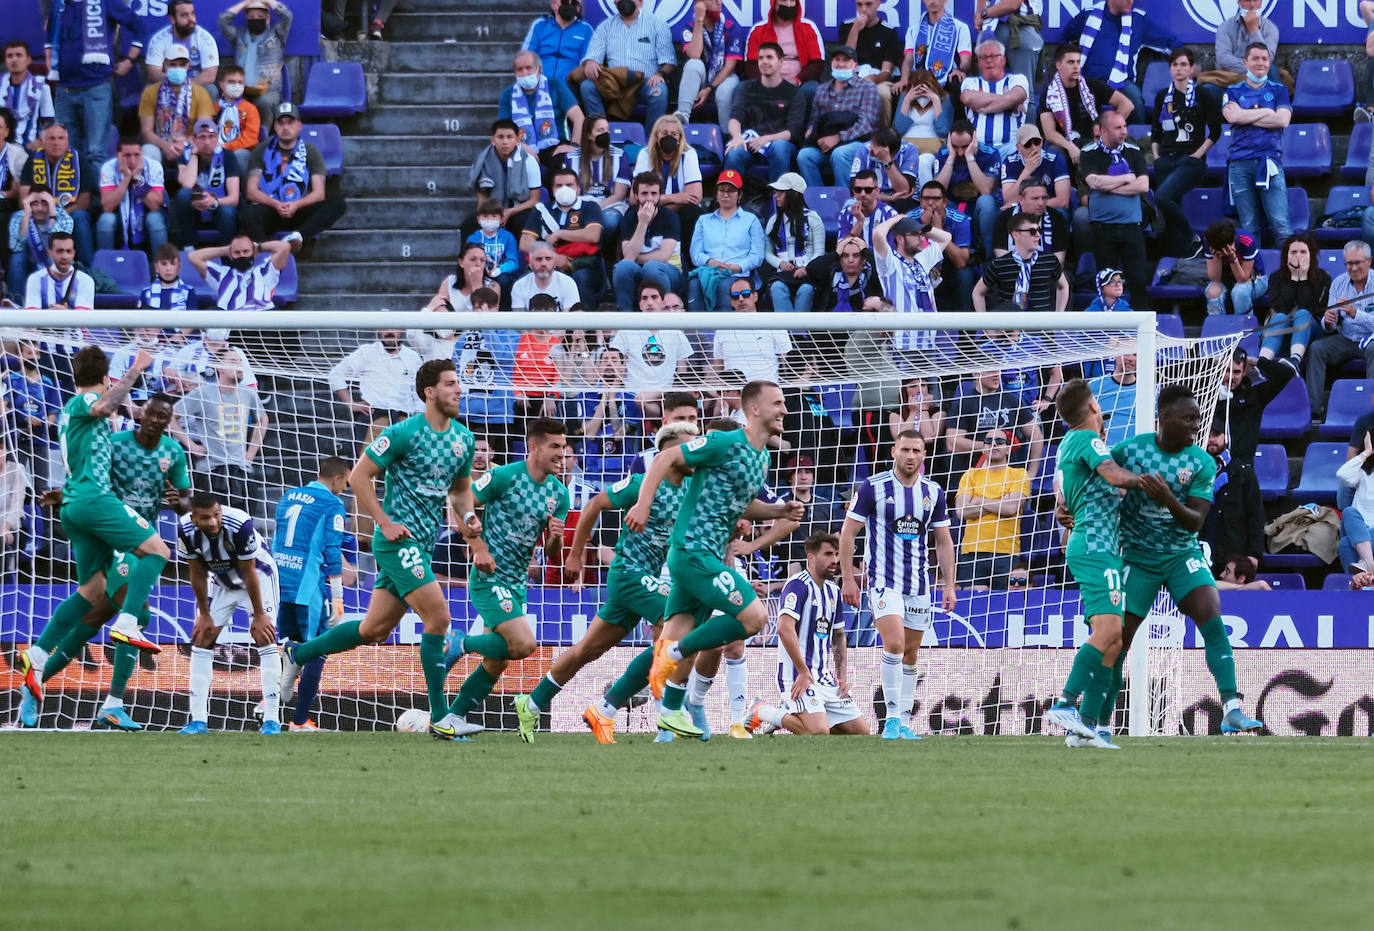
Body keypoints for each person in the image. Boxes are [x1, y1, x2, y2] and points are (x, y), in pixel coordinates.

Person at [281, 360, 485, 740]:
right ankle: (441, 717)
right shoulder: (402, 433)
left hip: (423, 542)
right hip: (397, 542)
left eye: (459, 384)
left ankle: (297, 654)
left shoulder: (464, 439)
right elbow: (359, 477)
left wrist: (468, 517)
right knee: (439, 620)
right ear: (430, 391)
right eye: (451, 384)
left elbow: (460, 491)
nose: (460, 390)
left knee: (374, 629)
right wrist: (384, 522)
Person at [627, 380, 802, 738]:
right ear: (754, 409)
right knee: (753, 618)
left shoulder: (762, 457)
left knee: (677, 640)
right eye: (778, 403)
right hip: (694, 550)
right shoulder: (724, 441)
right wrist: (643, 503)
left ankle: (659, 717)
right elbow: (666, 458)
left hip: (705, 555)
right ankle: (673, 660)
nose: (785, 410)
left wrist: (778, 508)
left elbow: (744, 504)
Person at [12, 345, 167, 729]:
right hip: (95, 502)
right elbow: (102, 407)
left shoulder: (71, 411)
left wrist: (65, 495)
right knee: (159, 552)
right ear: (103, 378)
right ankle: (127, 624)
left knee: (93, 592)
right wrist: (135, 370)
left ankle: (39, 652)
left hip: (78, 503)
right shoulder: (88, 400)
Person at [527, 421, 698, 744]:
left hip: (644, 578)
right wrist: (575, 556)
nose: (696, 454)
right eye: (689, 447)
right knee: (676, 625)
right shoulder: (642, 484)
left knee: (587, 650)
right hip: (628, 573)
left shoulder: (690, 490)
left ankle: (532, 702)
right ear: (670, 453)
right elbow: (594, 505)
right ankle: (659, 715)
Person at [1111, 386, 1264, 735]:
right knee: (1121, 636)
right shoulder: (1129, 451)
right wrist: (1071, 507)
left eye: (1198, 418)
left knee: (1211, 610)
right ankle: (1101, 715)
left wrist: (1166, 497)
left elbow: (1195, 520)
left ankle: (1232, 708)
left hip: (1181, 552)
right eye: (1189, 418)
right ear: (1165, 417)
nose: (1197, 424)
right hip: (1138, 555)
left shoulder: (1201, 462)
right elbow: (1096, 480)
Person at [444, 419, 571, 742]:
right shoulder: (504, 477)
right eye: (554, 446)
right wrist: (478, 547)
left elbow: (552, 550)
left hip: (516, 583)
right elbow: (462, 503)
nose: (562, 453)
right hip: (490, 577)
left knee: (497, 661)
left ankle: (452, 718)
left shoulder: (559, 493)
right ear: (534, 447)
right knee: (525, 644)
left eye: (563, 446)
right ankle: (461, 642)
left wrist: (555, 539)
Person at [1044, 378, 1144, 749]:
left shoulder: (1072, 445)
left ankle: (1086, 727)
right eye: (1098, 402)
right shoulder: (1087, 440)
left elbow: (1076, 497)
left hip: (1105, 548)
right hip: (1094, 547)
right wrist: (1155, 483)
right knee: (1106, 633)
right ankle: (1066, 703)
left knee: (1114, 640)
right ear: (1091, 409)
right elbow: (1114, 477)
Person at [839, 430, 956, 739]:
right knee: (894, 644)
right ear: (894, 451)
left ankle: (903, 721)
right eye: (905, 449)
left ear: (924, 454)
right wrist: (849, 577)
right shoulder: (872, 487)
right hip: (882, 581)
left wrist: (949, 585)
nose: (910, 455)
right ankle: (891, 719)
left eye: (917, 450)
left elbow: (943, 540)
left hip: (918, 583)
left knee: (911, 653)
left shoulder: (933, 492)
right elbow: (848, 533)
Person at [175, 492, 281, 733]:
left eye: (216, 515)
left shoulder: (239, 523)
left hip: (259, 578)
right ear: (193, 518)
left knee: (265, 637)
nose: (213, 522)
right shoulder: (184, 531)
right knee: (202, 639)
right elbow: (197, 572)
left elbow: (250, 571)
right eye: (205, 518)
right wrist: (204, 613)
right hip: (222, 581)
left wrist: (259, 614)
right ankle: (198, 721)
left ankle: (272, 719)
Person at [744, 532, 867, 736]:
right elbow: (784, 628)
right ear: (811, 557)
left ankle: (795, 713)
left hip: (824, 678)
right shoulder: (797, 585)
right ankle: (763, 711)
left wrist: (841, 677)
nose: (835, 560)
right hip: (796, 675)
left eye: (836, 554)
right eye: (828, 554)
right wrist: (802, 671)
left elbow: (838, 636)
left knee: (861, 734)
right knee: (818, 732)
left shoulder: (833, 591)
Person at [272, 458, 350, 733]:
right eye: (345, 483)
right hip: (307, 585)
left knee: (282, 644)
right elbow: (331, 550)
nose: (344, 489)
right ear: (338, 478)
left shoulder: (288, 496)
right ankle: (300, 720)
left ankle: (267, 709)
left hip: (280, 580)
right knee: (318, 649)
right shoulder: (332, 504)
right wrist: (338, 596)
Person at [43, 0, 146, 173]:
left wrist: (130, 59)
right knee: (64, 151)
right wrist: (49, 59)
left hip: (95, 89)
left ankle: (96, 200)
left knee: (95, 152)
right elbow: (50, 35)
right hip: (63, 90)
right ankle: (69, 198)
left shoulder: (106, 3)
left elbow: (139, 26)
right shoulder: (59, 4)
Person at [242, 103, 348, 252]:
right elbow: (251, 192)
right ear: (275, 126)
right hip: (270, 208)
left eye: (290, 122)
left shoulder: (311, 151)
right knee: (248, 214)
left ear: (299, 125)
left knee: (338, 203)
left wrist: (296, 205)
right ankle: (266, 253)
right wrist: (276, 204)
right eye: (281, 123)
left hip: (299, 209)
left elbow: (319, 193)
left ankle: (297, 237)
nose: (286, 127)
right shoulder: (261, 150)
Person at [1152, 48, 1224, 258]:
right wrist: (1156, 156)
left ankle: (1193, 238)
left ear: (1192, 68)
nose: (1179, 69)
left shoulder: (1203, 94)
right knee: (1169, 214)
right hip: (1165, 160)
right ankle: (1181, 256)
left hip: (1190, 162)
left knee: (1162, 198)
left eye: (1183, 64)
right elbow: (1156, 131)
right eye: (1175, 65)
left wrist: (1197, 155)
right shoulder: (1162, 96)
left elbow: (1216, 130)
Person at [179, 348, 268, 510]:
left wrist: (251, 452)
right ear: (218, 367)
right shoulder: (203, 393)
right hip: (211, 471)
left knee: (243, 526)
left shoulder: (248, 393)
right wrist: (192, 446)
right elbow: (171, 416)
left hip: (241, 471)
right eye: (233, 362)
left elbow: (263, 419)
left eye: (240, 362)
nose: (239, 366)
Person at [1222, 43, 1293, 243]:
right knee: (1248, 227)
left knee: (1281, 223)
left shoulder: (1279, 90)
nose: (1260, 63)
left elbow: (1282, 120)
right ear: (1245, 62)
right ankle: (1254, 274)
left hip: (1270, 162)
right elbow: (1231, 118)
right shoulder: (1233, 90)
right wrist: (1267, 112)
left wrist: (1245, 115)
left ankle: (1290, 273)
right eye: (1255, 58)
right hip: (1239, 163)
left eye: (1265, 59)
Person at [1059, 0, 1177, 119]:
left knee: (1135, 99)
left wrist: (1186, 60)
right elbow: (1065, 39)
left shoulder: (1138, 20)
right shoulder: (1089, 15)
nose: (1130, 1)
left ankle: (1136, 137)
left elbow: (1169, 42)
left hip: (1123, 82)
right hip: (1091, 81)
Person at [1078, 109, 1150, 304]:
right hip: (1103, 229)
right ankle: (1107, 329)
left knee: (1138, 281)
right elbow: (1093, 183)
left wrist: (1108, 187)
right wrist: (1126, 179)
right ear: (1103, 131)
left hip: (1131, 227)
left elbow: (1143, 185)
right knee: (1106, 284)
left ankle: (1143, 329)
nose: (1124, 131)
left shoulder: (1133, 151)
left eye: (1125, 126)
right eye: (1118, 127)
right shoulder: (1089, 153)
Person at [577, 0, 676, 131]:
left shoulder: (657, 24)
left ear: (640, 1)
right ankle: (600, 135)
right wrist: (590, 63)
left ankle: (650, 143)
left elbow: (669, 62)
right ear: (614, 2)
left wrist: (660, 73)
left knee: (660, 91)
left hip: (645, 83)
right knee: (587, 86)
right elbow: (592, 57)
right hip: (615, 82)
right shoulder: (606, 26)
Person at [953, 427, 1029, 590]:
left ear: (1008, 449)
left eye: (999, 441)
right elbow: (961, 511)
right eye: (988, 441)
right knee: (972, 610)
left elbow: (1010, 508)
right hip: (971, 553)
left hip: (1006, 553)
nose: (993, 444)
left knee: (1004, 607)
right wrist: (999, 502)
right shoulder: (970, 475)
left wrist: (978, 500)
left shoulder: (1019, 474)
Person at [1307, 241, 1374, 418]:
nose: (1353, 268)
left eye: (1357, 262)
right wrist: (1328, 322)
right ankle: (1313, 409)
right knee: (1317, 348)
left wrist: (1354, 313)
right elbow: (1330, 325)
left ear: (1369, 261)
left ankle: (1370, 408)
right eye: (1349, 263)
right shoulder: (1338, 283)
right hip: (1345, 338)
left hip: (1370, 339)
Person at [796, 46, 880, 189]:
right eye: (837, 60)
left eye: (846, 60)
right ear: (831, 63)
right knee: (804, 155)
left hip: (858, 142)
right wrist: (810, 131)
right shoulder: (821, 89)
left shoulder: (867, 88)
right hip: (825, 142)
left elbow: (867, 124)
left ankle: (843, 202)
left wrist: (838, 137)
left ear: (855, 65)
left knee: (840, 154)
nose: (841, 64)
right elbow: (814, 119)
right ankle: (819, 201)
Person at [520, 167, 603, 311]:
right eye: (559, 185)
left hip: (583, 265)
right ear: (552, 189)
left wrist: (559, 234)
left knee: (582, 278)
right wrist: (553, 258)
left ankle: (584, 328)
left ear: (577, 188)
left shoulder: (589, 206)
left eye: (569, 185)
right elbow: (525, 243)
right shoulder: (542, 209)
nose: (564, 189)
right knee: (524, 278)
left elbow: (593, 235)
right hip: (548, 262)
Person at [1038, 44, 1133, 169]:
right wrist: (1070, 146)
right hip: (1066, 144)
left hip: (1096, 140)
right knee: (1054, 153)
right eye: (1071, 62)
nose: (1076, 66)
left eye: (1078, 62)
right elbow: (1049, 133)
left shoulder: (1091, 85)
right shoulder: (1049, 94)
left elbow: (1127, 105)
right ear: (1058, 65)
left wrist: (1110, 129)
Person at [871, 213, 951, 358]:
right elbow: (877, 235)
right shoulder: (890, 263)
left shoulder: (922, 259)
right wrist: (896, 220)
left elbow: (946, 237)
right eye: (915, 235)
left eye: (922, 235)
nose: (921, 239)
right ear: (900, 239)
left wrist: (921, 228)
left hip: (928, 343)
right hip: (901, 346)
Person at [723, 42, 804, 183]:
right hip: (751, 144)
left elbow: (793, 132)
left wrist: (766, 139)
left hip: (779, 144)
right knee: (735, 150)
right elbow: (735, 118)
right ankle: (734, 199)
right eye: (761, 58)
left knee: (779, 148)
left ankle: (778, 200)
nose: (764, 61)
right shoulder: (745, 87)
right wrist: (737, 136)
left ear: (780, 61)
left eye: (769, 57)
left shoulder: (794, 93)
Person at [944, 369, 1045, 480]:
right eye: (991, 371)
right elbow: (952, 444)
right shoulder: (964, 403)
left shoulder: (1012, 399)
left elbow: (1037, 436)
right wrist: (993, 446)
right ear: (976, 373)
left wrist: (1031, 473)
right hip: (976, 478)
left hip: (1011, 478)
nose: (997, 375)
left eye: (998, 371)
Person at [328, 329, 423, 444]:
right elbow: (336, 374)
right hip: (372, 417)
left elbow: (417, 391)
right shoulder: (366, 352)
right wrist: (350, 403)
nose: (389, 332)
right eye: (385, 328)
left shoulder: (413, 357)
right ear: (379, 330)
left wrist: (418, 418)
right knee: (366, 459)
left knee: (402, 460)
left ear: (402, 330)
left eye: (394, 327)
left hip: (403, 418)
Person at [688, 169, 763, 312]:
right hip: (709, 271)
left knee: (725, 287)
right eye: (722, 190)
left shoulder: (751, 220)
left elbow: (757, 256)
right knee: (694, 284)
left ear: (739, 194)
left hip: (737, 274)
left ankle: (723, 333)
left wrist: (737, 267)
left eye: (731, 191)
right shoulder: (703, 221)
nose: (726, 194)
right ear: (716, 194)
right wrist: (711, 262)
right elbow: (695, 253)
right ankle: (697, 333)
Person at [19, 123, 95, 264]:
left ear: (67, 141)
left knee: (81, 216)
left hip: (70, 213)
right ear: (42, 142)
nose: (56, 143)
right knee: (18, 219)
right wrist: (41, 213)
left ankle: (88, 270)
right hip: (38, 215)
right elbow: (23, 198)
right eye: (51, 138)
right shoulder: (33, 160)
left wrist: (58, 214)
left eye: (61, 138)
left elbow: (84, 202)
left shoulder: (79, 160)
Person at [499, 50, 583, 175]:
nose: (525, 73)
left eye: (529, 68)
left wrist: (574, 145)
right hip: (522, 146)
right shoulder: (508, 94)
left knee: (565, 162)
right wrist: (523, 147)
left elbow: (579, 118)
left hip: (556, 144)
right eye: (519, 70)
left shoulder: (555, 85)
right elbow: (503, 131)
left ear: (539, 69)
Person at [138, 43, 216, 175]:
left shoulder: (201, 93)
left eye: (182, 65)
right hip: (160, 145)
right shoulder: (150, 92)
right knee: (148, 151)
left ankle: (192, 192)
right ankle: (151, 193)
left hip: (190, 145)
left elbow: (204, 131)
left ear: (188, 66)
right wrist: (166, 145)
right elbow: (146, 132)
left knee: (201, 149)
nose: (177, 68)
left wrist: (184, 143)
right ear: (164, 65)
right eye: (173, 65)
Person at [218, 0, 294, 127]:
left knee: (263, 102)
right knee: (231, 102)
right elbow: (223, 21)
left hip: (268, 90)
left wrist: (268, 2)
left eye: (260, 17)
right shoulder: (239, 36)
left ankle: (263, 136)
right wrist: (245, 3)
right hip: (242, 88)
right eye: (251, 17)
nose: (256, 19)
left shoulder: (276, 35)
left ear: (268, 18)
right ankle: (238, 136)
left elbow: (288, 16)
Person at [674, 0, 745, 136]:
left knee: (723, 92)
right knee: (693, 64)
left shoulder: (731, 26)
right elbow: (694, 54)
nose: (719, 2)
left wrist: (710, 88)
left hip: (725, 77)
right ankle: (682, 118)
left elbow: (730, 66)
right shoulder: (690, 26)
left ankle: (727, 136)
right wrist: (699, 21)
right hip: (700, 81)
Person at [613, 172, 682, 310]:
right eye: (644, 193)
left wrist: (637, 258)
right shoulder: (629, 218)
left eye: (653, 193)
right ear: (636, 195)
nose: (649, 198)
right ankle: (625, 322)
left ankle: (662, 317)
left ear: (659, 195)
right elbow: (628, 258)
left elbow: (663, 256)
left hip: (669, 271)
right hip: (641, 270)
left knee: (651, 267)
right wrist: (642, 223)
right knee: (622, 267)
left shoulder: (670, 217)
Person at [973, 212, 1066, 312]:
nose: (1038, 235)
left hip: (1041, 324)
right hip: (1009, 324)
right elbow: (978, 293)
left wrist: (1059, 317)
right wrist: (984, 325)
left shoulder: (1049, 260)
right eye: (1032, 231)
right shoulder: (999, 264)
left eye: (1039, 230)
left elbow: (1063, 286)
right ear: (1015, 235)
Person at [632, 115, 703, 245]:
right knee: (632, 213)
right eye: (664, 133)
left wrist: (657, 203)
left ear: (679, 138)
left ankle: (687, 260)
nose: (669, 137)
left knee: (692, 211)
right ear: (657, 136)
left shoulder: (689, 154)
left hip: (672, 209)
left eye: (674, 134)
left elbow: (694, 198)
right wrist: (673, 198)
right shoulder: (645, 154)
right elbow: (634, 198)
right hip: (650, 211)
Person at [1261, 232, 1327, 365]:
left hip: (1312, 329)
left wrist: (1303, 278)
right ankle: (1262, 363)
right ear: (1286, 256)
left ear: (1311, 255)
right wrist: (1293, 279)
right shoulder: (1276, 277)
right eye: (1294, 252)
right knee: (1279, 317)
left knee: (1302, 313)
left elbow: (1313, 309)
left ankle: (1295, 361)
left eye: (1303, 252)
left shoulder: (1323, 278)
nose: (1298, 256)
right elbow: (1280, 308)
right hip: (1284, 328)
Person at [763, 172, 822, 314]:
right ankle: (785, 333)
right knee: (776, 288)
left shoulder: (813, 219)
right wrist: (779, 263)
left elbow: (819, 252)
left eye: (781, 192)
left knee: (806, 290)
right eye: (776, 192)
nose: (776, 195)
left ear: (794, 195)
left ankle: (799, 334)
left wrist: (807, 269)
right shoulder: (773, 221)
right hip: (782, 273)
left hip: (807, 272)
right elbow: (767, 252)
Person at [565, 115, 630, 246]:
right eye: (600, 130)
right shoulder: (571, 158)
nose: (606, 134)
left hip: (611, 205)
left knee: (609, 221)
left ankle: (605, 257)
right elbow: (568, 190)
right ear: (589, 135)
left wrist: (595, 208)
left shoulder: (619, 155)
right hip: (580, 205)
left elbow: (619, 195)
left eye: (607, 130)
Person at [97, 137, 167, 254]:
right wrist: (126, 179)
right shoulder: (108, 167)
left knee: (155, 219)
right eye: (127, 155)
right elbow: (107, 207)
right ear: (118, 156)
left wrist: (136, 181)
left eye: (136, 155)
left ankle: (160, 268)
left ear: (142, 155)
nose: (132, 160)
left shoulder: (154, 166)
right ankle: (104, 269)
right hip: (118, 217)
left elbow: (155, 205)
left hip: (146, 216)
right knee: (106, 220)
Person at [176, 118, 238, 247]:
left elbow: (234, 198)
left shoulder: (228, 156)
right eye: (202, 137)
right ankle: (189, 246)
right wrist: (194, 155)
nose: (207, 142)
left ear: (217, 139)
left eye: (211, 136)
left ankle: (226, 251)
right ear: (194, 140)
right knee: (183, 195)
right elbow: (187, 184)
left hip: (219, 204)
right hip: (196, 203)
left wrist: (214, 202)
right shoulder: (185, 156)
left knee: (228, 211)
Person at [960, 40, 1028, 157]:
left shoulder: (1017, 79)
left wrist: (984, 109)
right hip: (978, 147)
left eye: (994, 56)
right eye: (984, 57)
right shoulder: (971, 82)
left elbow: (1015, 97)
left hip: (1011, 147)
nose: (989, 60)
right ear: (979, 62)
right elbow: (967, 98)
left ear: (1003, 60)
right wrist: (1006, 99)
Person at [712, 278, 790, 381]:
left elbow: (787, 363)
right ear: (731, 302)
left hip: (766, 391)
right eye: (735, 296)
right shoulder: (722, 329)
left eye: (746, 294)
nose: (741, 299)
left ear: (755, 296)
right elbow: (718, 365)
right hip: (733, 392)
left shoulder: (774, 323)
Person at [839, 0, 902, 127]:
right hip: (851, 77)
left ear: (878, 4)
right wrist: (855, 30)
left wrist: (871, 80)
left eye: (868, 4)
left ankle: (884, 135)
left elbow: (887, 72)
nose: (863, 9)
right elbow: (845, 61)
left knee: (882, 93)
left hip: (879, 79)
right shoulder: (847, 27)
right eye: (859, 4)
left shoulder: (889, 32)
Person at [188, 234, 291, 311]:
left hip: (262, 322)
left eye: (246, 251)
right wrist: (226, 250)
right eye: (237, 252)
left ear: (254, 253)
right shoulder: (221, 274)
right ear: (231, 255)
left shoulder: (266, 271)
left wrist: (258, 247)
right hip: (231, 326)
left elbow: (284, 247)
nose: (242, 255)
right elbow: (193, 257)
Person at [742, 0, 826, 94]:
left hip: (800, 83)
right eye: (784, 1)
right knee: (741, 88)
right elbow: (751, 64)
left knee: (812, 89)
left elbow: (817, 63)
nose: (788, 4)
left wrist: (798, 80)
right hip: (766, 82)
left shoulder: (808, 27)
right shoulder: (758, 30)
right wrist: (766, 83)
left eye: (792, 1)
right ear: (774, 3)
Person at [899, 0, 972, 107]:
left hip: (947, 77)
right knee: (900, 88)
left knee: (957, 82)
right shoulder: (914, 29)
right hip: (918, 76)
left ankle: (958, 123)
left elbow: (966, 61)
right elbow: (908, 59)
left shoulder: (960, 27)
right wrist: (904, 78)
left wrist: (960, 70)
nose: (933, 1)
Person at [1205, 0, 1282, 88]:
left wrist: (1254, 30)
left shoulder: (1270, 29)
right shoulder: (1225, 27)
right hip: (1230, 79)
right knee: (1207, 89)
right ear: (1239, 3)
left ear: (1261, 3)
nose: (1252, 5)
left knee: (1271, 70)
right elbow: (1223, 59)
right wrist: (1252, 66)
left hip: (1259, 80)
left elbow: (1266, 60)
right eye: (1247, 0)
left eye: (1256, 0)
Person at [146, 0, 220, 91]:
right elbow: (153, 73)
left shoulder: (205, 39)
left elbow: (209, 75)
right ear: (172, 19)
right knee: (148, 88)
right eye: (184, 15)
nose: (191, 19)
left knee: (211, 90)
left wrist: (185, 86)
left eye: (192, 14)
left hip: (196, 85)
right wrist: (174, 84)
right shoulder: (159, 39)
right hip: (168, 83)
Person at [8, 186, 71, 293]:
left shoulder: (63, 216)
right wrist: (27, 214)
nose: (40, 209)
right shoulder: (19, 216)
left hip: (53, 262)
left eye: (44, 203)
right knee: (16, 258)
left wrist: (52, 216)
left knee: (58, 253)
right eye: (34, 203)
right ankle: (16, 300)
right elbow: (15, 247)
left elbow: (60, 245)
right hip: (29, 263)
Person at [991, 177, 1068, 265]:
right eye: (1035, 198)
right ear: (1021, 200)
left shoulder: (1056, 218)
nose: (1041, 203)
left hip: (1047, 274)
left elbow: (1059, 261)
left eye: (1044, 198)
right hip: (1012, 273)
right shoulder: (1004, 218)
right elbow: (1002, 259)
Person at [972, 0, 1044, 89]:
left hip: (1020, 27)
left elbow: (1012, 4)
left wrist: (984, 14)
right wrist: (980, 16)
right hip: (990, 29)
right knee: (987, 88)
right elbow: (979, 14)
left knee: (1023, 90)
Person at [924, 119, 998, 206]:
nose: (960, 153)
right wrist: (951, 158)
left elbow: (985, 190)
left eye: (965, 146)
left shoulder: (990, 154)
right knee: (938, 202)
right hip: (953, 204)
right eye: (955, 146)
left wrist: (970, 158)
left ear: (974, 140)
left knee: (986, 201)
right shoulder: (943, 153)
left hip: (978, 205)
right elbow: (937, 192)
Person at [1202, 219, 1265, 317]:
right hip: (1225, 277)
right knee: (1212, 291)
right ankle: (1217, 328)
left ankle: (1244, 327)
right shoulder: (1209, 242)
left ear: (1234, 238)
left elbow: (1243, 279)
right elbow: (1215, 279)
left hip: (1255, 278)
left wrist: (1233, 259)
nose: (1224, 251)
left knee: (1239, 292)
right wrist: (1217, 257)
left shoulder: (1246, 240)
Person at [521, 0, 594, 85]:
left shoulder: (586, 30)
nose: (570, 5)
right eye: (565, 2)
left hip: (569, 86)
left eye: (574, 3)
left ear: (579, 8)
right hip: (539, 83)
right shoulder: (539, 25)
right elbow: (526, 56)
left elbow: (587, 62)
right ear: (554, 5)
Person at [4, 40, 55, 150]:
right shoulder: (1, 85)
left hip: (29, 148)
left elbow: (49, 122)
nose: (14, 59)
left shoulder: (42, 87)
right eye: (10, 56)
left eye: (19, 55)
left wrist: (40, 140)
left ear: (28, 60)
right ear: (5, 61)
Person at [23, 231, 93, 309]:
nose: (64, 256)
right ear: (49, 253)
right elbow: (32, 316)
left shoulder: (85, 280)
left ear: (74, 253)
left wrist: (65, 314)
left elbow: (85, 318)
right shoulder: (35, 279)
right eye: (60, 251)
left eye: (68, 251)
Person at [465, 203, 520, 302]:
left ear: (501, 219)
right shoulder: (472, 238)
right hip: (479, 270)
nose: (489, 220)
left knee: (505, 281)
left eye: (494, 216)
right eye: (485, 216)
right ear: (478, 219)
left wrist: (499, 270)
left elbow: (513, 261)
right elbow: (468, 259)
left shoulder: (508, 237)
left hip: (500, 273)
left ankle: (504, 310)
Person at [214, 64, 261, 179]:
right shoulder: (214, 108)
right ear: (221, 84)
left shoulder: (250, 109)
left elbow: (250, 138)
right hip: (214, 148)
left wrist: (226, 146)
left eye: (240, 82)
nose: (236, 85)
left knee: (239, 155)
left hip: (242, 151)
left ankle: (245, 194)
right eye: (231, 82)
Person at [511, 239, 583, 311]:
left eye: (548, 259)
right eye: (539, 259)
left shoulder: (568, 283)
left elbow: (571, 319)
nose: (543, 263)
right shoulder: (519, 286)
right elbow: (519, 319)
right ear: (530, 264)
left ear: (554, 263)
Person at [836, 168, 897, 248]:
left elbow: (890, 254)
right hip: (854, 260)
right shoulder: (845, 214)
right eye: (858, 190)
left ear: (877, 191)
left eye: (868, 190)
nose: (862, 194)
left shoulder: (890, 215)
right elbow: (841, 250)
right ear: (853, 192)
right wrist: (859, 223)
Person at [895, 68, 950, 154]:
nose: (922, 93)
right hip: (906, 146)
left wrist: (936, 100)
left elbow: (943, 131)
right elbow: (897, 130)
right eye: (917, 89)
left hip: (933, 147)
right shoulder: (905, 97)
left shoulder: (944, 98)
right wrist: (907, 101)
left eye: (926, 88)